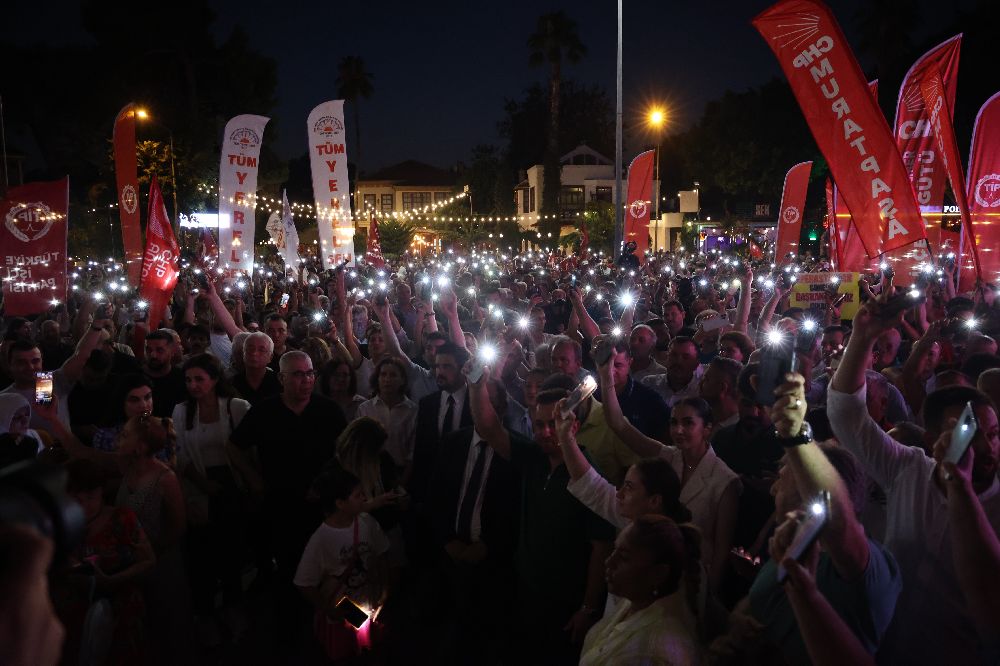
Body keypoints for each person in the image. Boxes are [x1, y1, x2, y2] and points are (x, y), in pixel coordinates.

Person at [828, 295, 1000, 664]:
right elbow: (847, 416)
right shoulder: (908, 469)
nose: (984, 447)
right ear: (929, 437)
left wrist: (961, 487)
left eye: (994, 434)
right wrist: (863, 336)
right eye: (966, 434)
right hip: (882, 649)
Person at [747, 372, 902, 664]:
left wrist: (797, 436)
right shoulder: (793, 544)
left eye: (783, 479)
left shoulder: (867, 564)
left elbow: (836, 519)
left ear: (811, 489)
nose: (773, 488)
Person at [468, 371, 615, 664]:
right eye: (539, 425)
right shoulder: (534, 456)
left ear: (573, 425)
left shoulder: (588, 473)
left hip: (566, 599)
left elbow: (602, 547)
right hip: (527, 587)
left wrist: (587, 608)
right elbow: (488, 426)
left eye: (554, 424)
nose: (546, 432)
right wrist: (475, 380)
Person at [599, 357, 740, 592]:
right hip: (653, 573)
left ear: (707, 428)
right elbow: (619, 425)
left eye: (688, 423)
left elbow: (721, 550)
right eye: (674, 423)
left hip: (693, 581)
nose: (678, 430)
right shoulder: (668, 457)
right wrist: (606, 376)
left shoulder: (725, 481)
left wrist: (708, 602)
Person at [426, 376, 521, 661]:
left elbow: (515, 509)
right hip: (451, 554)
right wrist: (448, 541)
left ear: (502, 406)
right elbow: (437, 496)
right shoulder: (455, 442)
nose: (481, 407)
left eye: (488, 400)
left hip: (493, 562)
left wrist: (487, 546)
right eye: (476, 400)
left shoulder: (517, 451)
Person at [172, 353, 250, 642]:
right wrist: (200, 483)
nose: (193, 385)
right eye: (189, 380)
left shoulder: (235, 407)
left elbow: (249, 447)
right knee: (200, 557)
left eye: (199, 379)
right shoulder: (181, 412)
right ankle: (204, 613)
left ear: (215, 380)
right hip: (198, 487)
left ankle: (233, 607)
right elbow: (177, 451)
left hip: (231, 488)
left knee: (231, 553)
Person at [58, 458, 155, 664]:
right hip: (76, 604)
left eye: (90, 497)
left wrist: (113, 580)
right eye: (75, 499)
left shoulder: (122, 518)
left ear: (102, 491)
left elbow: (148, 560)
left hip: (121, 601)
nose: (83, 505)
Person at [294, 464, 390, 662]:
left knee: (366, 647)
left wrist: (383, 590)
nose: (364, 498)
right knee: (346, 653)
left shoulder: (366, 522)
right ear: (340, 503)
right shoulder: (321, 539)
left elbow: (381, 554)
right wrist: (329, 610)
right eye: (358, 495)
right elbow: (304, 582)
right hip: (343, 612)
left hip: (368, 603)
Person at [579, 516, 703, 666]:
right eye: (614, 550)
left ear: (658, 574)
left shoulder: (651, 651)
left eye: (624, 557)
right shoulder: (634, 603)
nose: (609, 562)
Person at [357, 357, 418, 474]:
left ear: (402, 380)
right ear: (377, 378)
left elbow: (413, 451)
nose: (387, 379)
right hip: (369, 471)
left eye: (393, 375)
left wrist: (403, 481)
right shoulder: (365, 408)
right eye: (383, 374)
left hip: (401, 471)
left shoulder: (412, 411)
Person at [641, 336, 704, 408]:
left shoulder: (700, 392)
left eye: (686, 357)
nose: (678, 361)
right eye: (674, 355)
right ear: (667, 357)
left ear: (696, 364)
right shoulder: (648, 383)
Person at [142, 330, 187, 418]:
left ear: (172, 351)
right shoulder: (135, 376)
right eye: (149, 350)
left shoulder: (181, 378)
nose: (153, 355)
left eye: (159, 350)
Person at [231, 331, 282, 406]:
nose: (254, 353)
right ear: (243, 353)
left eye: (261, 350)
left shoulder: (280, 383)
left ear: (270, 357)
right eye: (250, 349)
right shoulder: (232, 384)